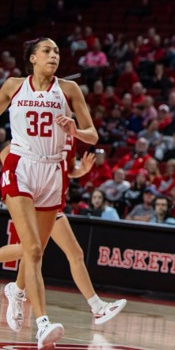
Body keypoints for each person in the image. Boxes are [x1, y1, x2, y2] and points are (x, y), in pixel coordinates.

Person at [0, 37, 99, 348]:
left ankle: (16, 291)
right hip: (21, 166)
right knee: (30, 250)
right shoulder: (13, 85)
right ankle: (43, 323)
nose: (53, 55)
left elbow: (92, 135)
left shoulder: (68, 90)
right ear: (31, 58)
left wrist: (74, 130)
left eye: (56, 51)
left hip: (53, 172)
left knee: (36, 251)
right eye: (47, 50)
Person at [0, 143, 126, 330]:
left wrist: (81, 170)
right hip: (30, 197)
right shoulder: (32, 125)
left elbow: (68, 170)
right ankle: (17, 291)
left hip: (52, 201)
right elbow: (5, 155)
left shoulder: (66, 138)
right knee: (31, 251)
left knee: (73, 252)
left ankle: (97, 307)